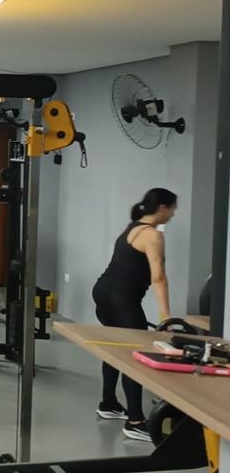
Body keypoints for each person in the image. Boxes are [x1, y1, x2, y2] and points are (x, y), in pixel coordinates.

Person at [93, 187, 177, 442]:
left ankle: (109, 403)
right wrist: (166, 317)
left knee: (116, 348)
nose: (174, 214)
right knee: (134, 355)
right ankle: (135, 421)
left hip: (103, 291)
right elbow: (158, 276)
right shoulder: (152, 235)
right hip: (122, 299)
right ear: (162, 208)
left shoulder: (132, 228)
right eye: (173, 209)